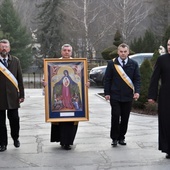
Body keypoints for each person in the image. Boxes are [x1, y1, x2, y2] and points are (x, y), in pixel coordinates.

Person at [44, 44, 89, 150]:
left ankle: (68, 142)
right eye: (64, 50)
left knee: (71, 120)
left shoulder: (78, 64)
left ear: (71, 52)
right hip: (63, 92)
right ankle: (63, 141)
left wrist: (86, 84)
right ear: (61, 51)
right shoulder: (53, 64)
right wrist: (46, 83)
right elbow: (50, 80)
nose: (66, 52)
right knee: (61, 120)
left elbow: (80, 81)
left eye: (69, 50)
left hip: (69, 92)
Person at [104, 43, 140, 147]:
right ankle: (114, 138)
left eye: (125, 52)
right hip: (115, 95)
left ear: (128, 52)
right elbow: (108, 79)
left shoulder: (134, 64)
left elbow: (137, 79)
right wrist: (107, 93)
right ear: (118, 52)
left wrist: (137, 92)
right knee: (115, 116)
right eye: (121, 51)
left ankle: (121, 137)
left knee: (125, 118)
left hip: (128, 96)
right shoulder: (112, 64)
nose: (123, 53)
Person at [0, 39, 24, 152]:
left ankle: (16, 138)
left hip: (13, 96)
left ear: (9, 48)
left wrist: (22, 94)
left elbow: (19, 78)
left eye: (6, 47)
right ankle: (2, 143)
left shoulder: (15, 60)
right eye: (2, 47)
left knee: (14, 119)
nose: (4, 48)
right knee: (0, 123)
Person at [148, 38, 170, 159]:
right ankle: (168, 148)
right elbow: (154, 78)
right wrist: (152, 96)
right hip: (166, 96)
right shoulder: (162, 60)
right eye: (168, 45)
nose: (169, 47)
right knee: (166, 122)